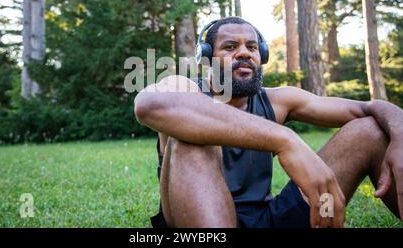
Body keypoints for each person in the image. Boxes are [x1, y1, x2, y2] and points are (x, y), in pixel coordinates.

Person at [134, 16, 403, 228]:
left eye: (252, 47)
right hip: (194, 223)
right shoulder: (184, 88)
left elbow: (369, 108)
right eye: (230, 47)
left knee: (369, 130)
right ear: (206, 58)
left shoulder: (278, 100)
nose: (244, 53)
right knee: (190, 137)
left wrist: (400, 136)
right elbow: (150, 104)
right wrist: (286, 140)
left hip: (268, 220)